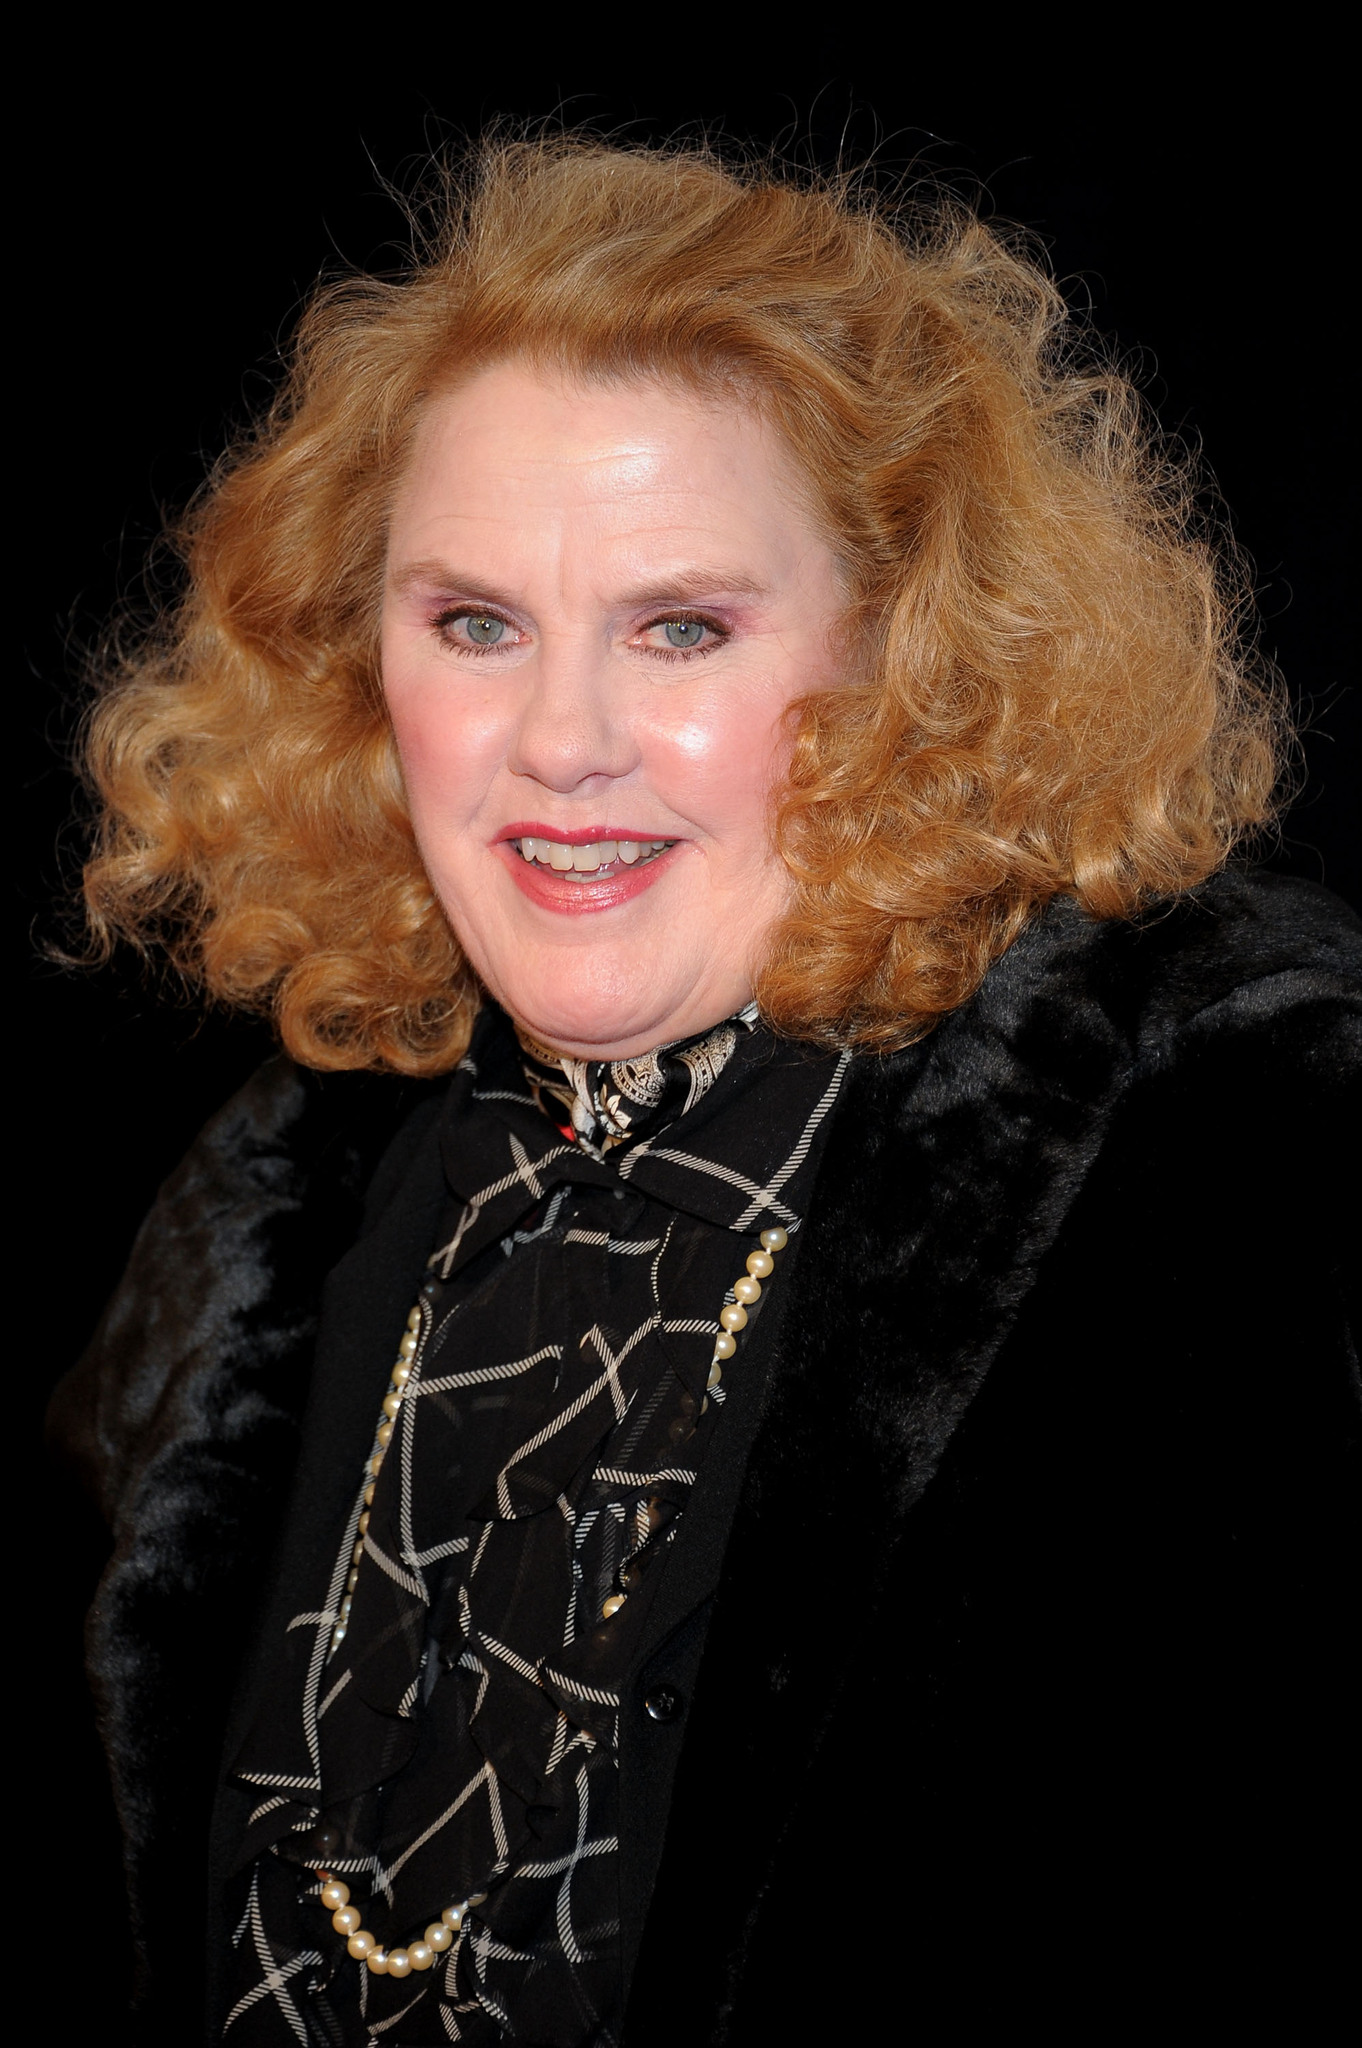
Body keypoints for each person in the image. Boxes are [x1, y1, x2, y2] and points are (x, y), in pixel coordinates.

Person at [50, 137, 1360, 2046]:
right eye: (474, 623)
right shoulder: (264, 1203)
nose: (559, 741)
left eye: (681, 628)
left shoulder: (1226, 1168)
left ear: (909, 657)